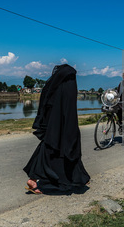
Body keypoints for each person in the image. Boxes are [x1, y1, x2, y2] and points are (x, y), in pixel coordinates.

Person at [23, 64, 90, 194]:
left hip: (52, 127)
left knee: (50, 148)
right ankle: (76, 178)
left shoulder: (53, 88)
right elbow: (69, 111)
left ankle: (79, 178)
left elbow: (46, 107)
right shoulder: (68, 86)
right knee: (67, 148)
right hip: (64, 126)